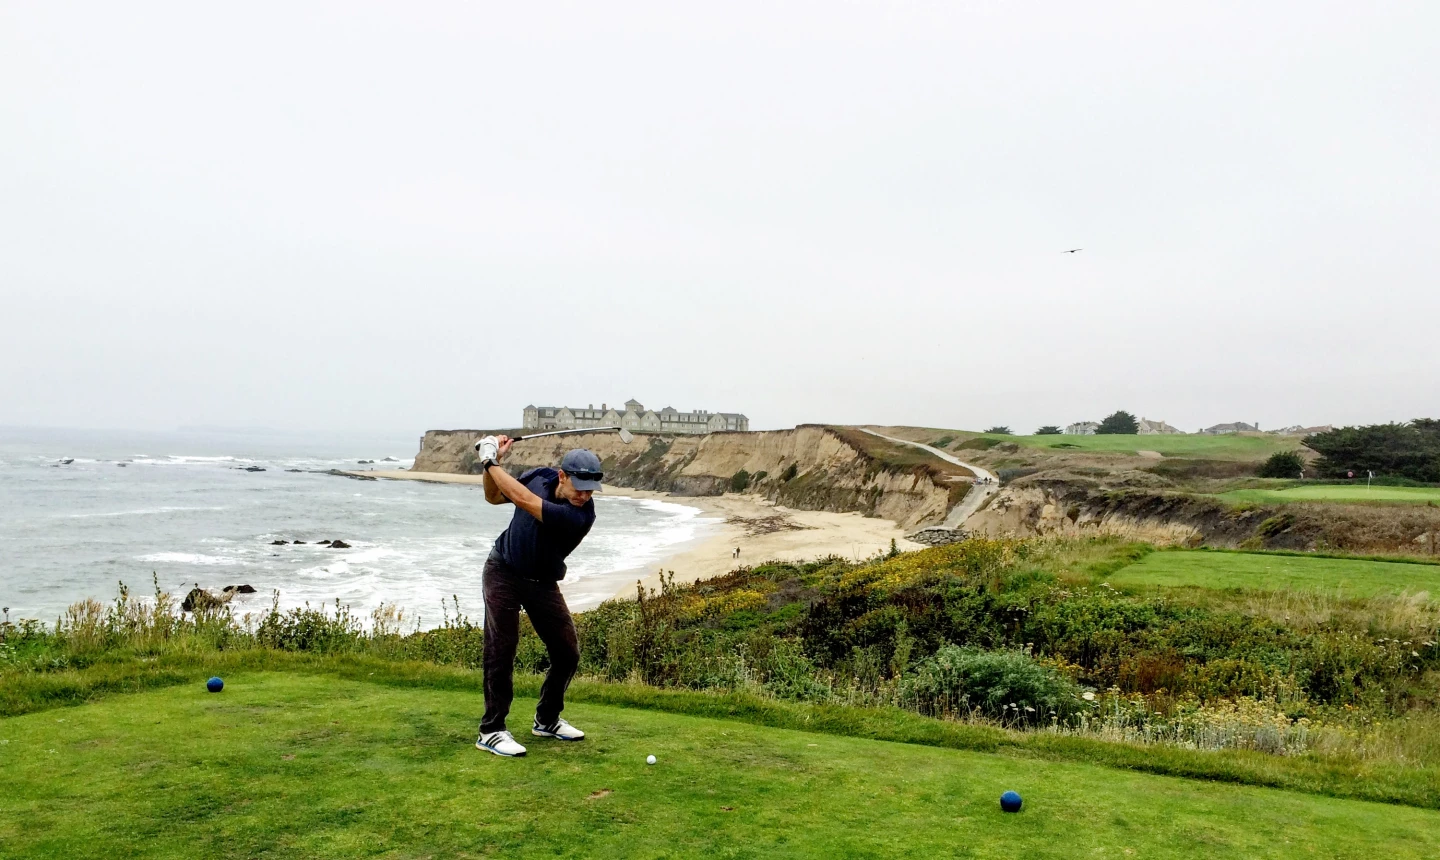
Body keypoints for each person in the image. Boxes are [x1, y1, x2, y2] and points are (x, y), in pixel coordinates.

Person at [472, 434, 601, 757]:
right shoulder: (540, 476)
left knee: (567, 651)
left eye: (590, 489)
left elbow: (524, 501)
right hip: (502, 570)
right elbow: (495, 497)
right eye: (579, 487)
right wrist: (491, 468)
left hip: (542, 582)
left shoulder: (580, 517)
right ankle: (492, 730)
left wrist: (489, 460)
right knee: (501, 648)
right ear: (562, 476)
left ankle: (547, 719)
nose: (584, 495)